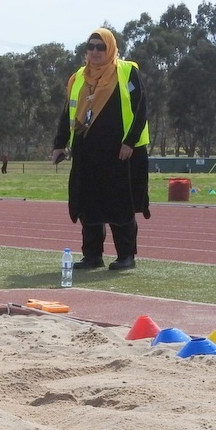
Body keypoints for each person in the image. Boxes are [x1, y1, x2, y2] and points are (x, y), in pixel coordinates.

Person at [51, 27, 150, 271]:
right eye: (91, 46)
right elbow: (68, 113)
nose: (95, 51)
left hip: (119, 153)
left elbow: (141, 108)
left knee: (120, 204)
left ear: (111, 48)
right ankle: (92, 256)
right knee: (88, 204)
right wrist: (59, 144)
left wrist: (130, 142)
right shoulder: (79, 77)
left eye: (101, 46)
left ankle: (126, 256)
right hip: (86, 152)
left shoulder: (127, 72)